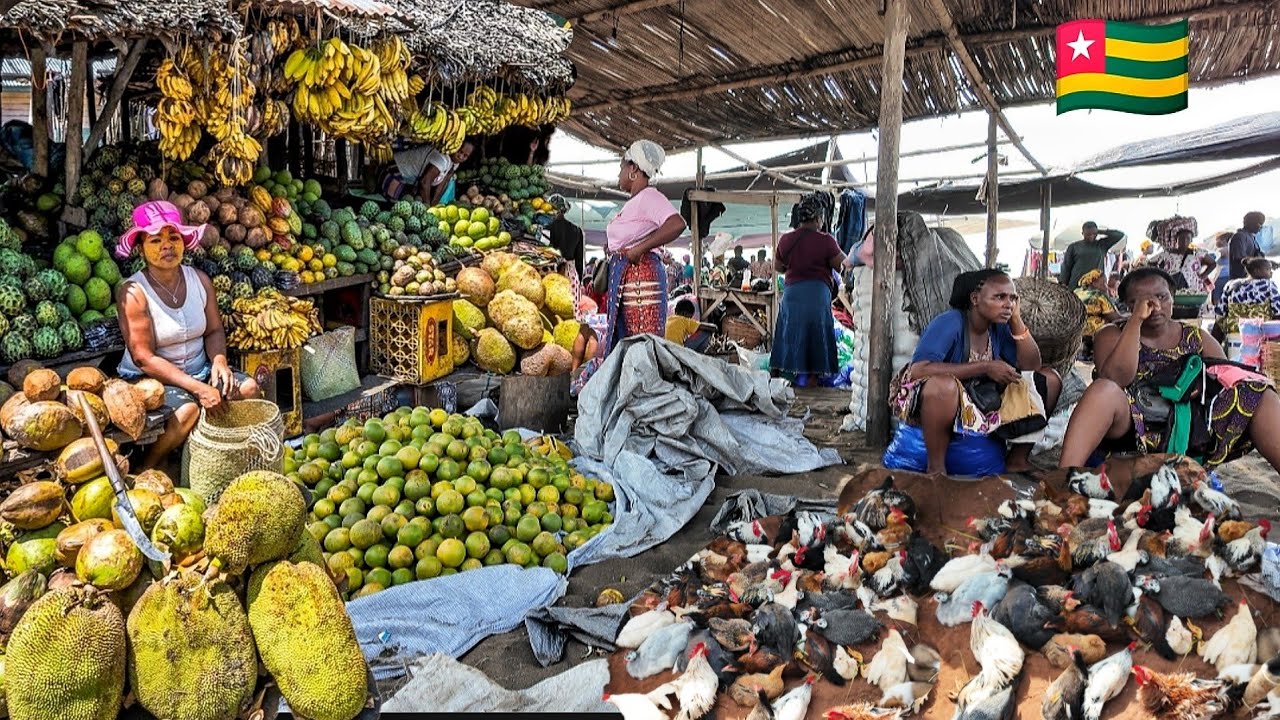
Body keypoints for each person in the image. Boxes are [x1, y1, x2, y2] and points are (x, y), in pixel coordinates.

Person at [1059, 267, 1280, 474]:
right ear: (1127, 305)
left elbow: (1225, 382)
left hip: (1191, 427)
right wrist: (1135, 321)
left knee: (1260, 394)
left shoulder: (1197, 337)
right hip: (1132, 425)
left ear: (1173, 298)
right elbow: (1117, 377)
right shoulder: (1111, 334)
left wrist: (1200, 384)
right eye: (1141, 301)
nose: (1154, 305)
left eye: (1162, 297)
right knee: (1103, 389)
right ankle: (1064, 476)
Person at [115, 201, 260, 469]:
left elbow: (214, 330)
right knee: (186, 411)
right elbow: (143, 358)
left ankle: (229, 462)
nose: (167, 246)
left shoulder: (200, 280)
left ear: (183, 241)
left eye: (173, 238)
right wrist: (198, 388)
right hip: (152, 378)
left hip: (200, 370)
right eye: (156, 240)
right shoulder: (134, 292)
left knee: (249, 389)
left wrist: (219, 362)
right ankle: (147, 467)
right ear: (141, 248)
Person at [891, 270, 1062, 474]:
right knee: (943, 386)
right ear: (975, 299)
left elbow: (1032, 366)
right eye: (1000, 297)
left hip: (980, 400)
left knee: (1050, 379)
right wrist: (985, 367)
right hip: (941, 402)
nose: (1008, 304)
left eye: (1013, 298)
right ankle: (936, 469)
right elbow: (919, 370)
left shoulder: (998, 327)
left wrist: (1016, 321)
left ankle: (1017, 459)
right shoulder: (951, 322)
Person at [601, 140, 686, 357]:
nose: (619, 174)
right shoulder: (636, 202)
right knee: (631, 345)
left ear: (634, 169)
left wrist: (639, 249)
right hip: (630, 276)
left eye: (622, 168)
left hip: (640, 277)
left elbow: (677, 223)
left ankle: (642, 386)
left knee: (641, 345)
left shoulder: (649, 196)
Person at [769, 194, 846, 383]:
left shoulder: (786, 240)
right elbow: (843, 265)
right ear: (819, 218)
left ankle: (783, 380)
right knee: (816, 339)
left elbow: (778, 267)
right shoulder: (826, 241)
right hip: (817, 296)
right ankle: (813, 384)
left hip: (792, 295)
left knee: (790, 335)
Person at [382, 140, 475, 205]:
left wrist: (434, 205)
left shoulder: (454, 163)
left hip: (412, 180)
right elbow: (425, 182)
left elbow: (444, 182)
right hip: (394, 169)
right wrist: (427, 207)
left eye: (465, 156)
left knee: (417, 201)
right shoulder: (442, 158)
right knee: (405, 202)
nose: (461, 157)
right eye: (460, 152)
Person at [1215, 257, 1280, 336]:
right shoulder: (1268, 285)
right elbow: (1277, 311)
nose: (1271, 272)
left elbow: (1220, 312)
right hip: (1259, 331)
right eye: (1268, 269)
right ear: (1257, 271)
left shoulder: (1231, 284)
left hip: (1234, 330)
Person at [1148, 223, 1215, 293]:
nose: (1185, 241)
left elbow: (1213, 263)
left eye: (1188, 238)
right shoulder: (1167, 254)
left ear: (1191, 240)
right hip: (1171, 289)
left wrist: (1203, 276)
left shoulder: (1197, 253)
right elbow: (1150, 263)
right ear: (1176, 240)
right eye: (1182, 238)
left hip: (1193, 289)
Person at [1058, 221, 1127, 289]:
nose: (1091, 236)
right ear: (1082, 233)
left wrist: (1100, 231)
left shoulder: (1102, 245)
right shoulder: (1074, 247)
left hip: (1096, 286)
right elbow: (1066, 266)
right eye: (1088, 234)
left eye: (1094, 234)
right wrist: (1063, 283)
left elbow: (1119, 235)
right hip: (1076, 285)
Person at [1075, 269, 1124, 355]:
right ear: (1093, 283)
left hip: (1077, 332)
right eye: (1103, 283)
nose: (1106, 286)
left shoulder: (1077, 292)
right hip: (1095, 334)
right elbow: (1115, 317)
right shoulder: (1098, 295)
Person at [1228, 211, 1267, 280]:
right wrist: (1260, 263)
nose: (1261, 228)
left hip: (1251, 280)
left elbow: (1256, 256)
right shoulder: (1239, 237)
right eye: (1259, 224)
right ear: (1251, 223)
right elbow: (1240, 259)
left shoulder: (1251, 237)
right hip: (1241, 281)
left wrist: (1267, 263)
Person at [1212, 231, 1233, 304]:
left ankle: (1217, 312)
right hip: (1229, 276)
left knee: (1217, 297)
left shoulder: (1224, 249)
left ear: (1225, 240)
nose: (1217, 242)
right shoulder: (1232, 249)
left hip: (1221, 277)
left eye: (1219, 239)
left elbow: (1214, 256)